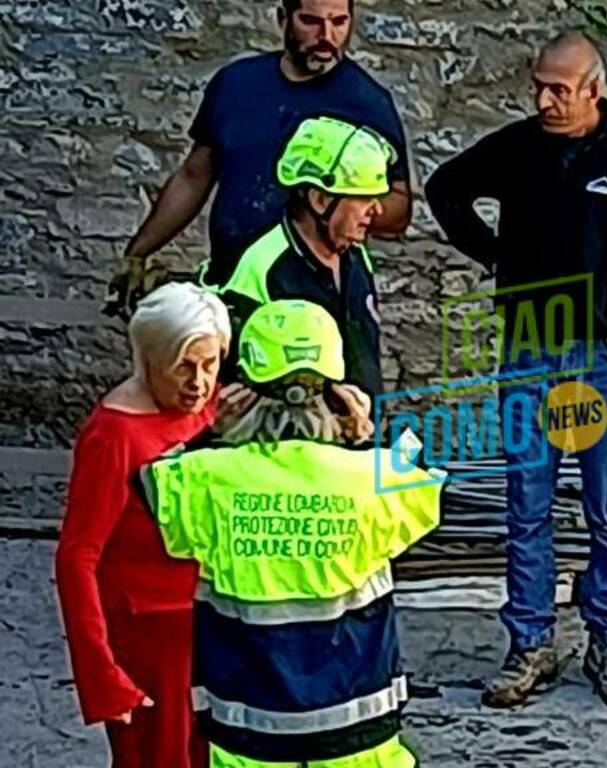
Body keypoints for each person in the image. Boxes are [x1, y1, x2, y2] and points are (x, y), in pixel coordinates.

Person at [425, 32, 607, 710]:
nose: (544, 99)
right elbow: (447, 190)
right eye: (538, 85)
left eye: (559, 88)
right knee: (527, 506)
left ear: (596, 89)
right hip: (529, 349)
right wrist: (494, 256)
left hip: (604, 353)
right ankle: (530, 643)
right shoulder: (517, 147)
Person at [139, 299, 444, 768]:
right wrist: (363, 433)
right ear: (337, 389)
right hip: (357, 728)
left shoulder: (208, 476)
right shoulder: (371, 476)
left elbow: (149, 483)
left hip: (250, 729)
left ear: (244, 388)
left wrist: (213, 429)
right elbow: (424, 479)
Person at [108, 0, 411, 316]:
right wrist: (138, 253)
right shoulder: (236, 85)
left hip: (317, 296)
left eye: (338, 22)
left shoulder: (367, 103)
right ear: (284, 18)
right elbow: (193, 177)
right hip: (233, 283)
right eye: (310, 21)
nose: (327, 35)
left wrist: (343, 208)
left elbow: (399, 208)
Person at [55, 282, 232, 768]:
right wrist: (101, 673)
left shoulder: (211, 407)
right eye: (184, 366)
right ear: (149, 359)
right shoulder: (113, 435)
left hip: (209, 625)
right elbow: (77, 556)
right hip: (147, 640)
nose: (199, 381)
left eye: (210, 363)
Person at [219, 115, 393, 397]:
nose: (378, 211)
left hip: (362, 434)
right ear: (320, 200)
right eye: (363, 198)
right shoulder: (261, 267)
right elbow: (241, 388)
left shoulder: (356, 255)